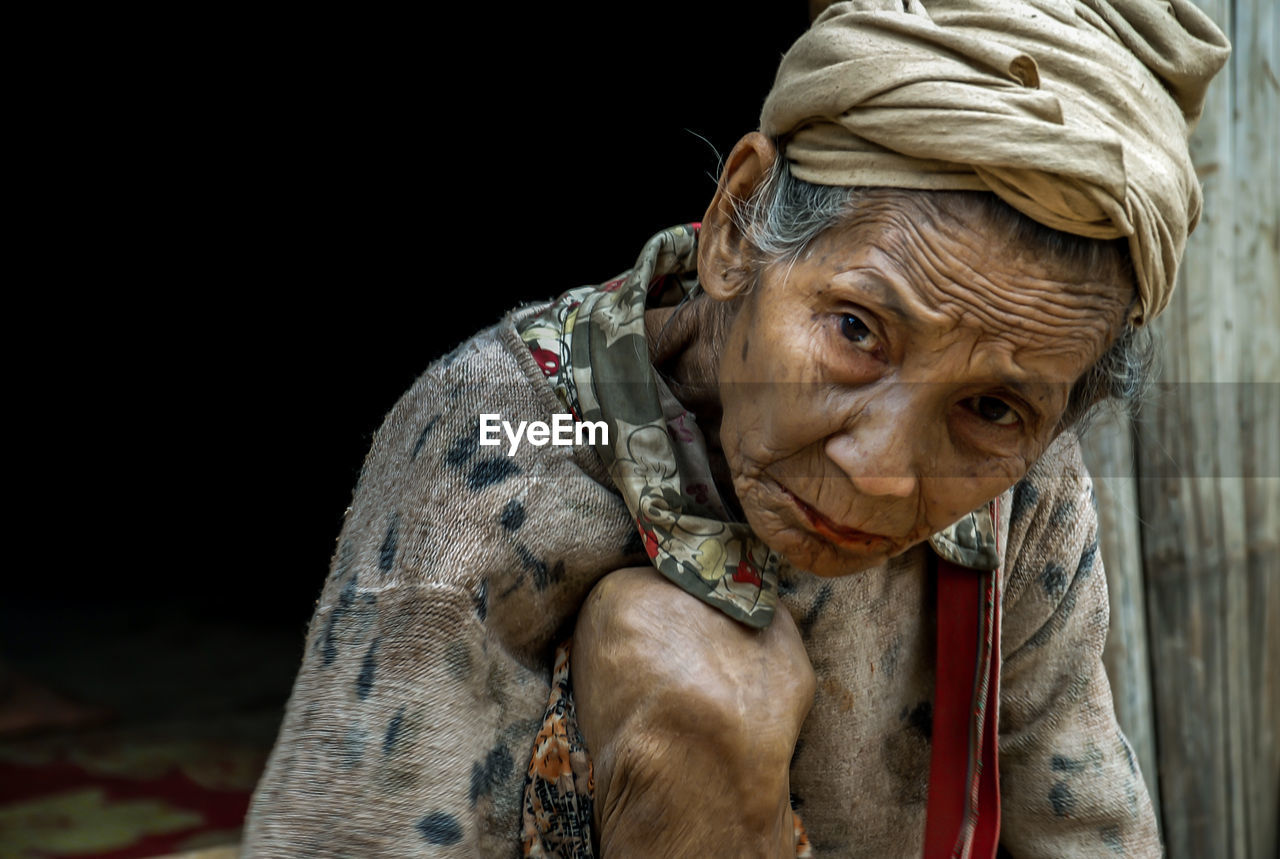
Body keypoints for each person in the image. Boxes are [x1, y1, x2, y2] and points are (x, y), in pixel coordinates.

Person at [241, 1, 1230, 856]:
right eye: (855, 330)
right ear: (735, 226)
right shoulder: (495, 437)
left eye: (987, 410)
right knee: (677, 657)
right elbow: (351, 828)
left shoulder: (1030, 488)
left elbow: (1082, 807)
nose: (876, 470)